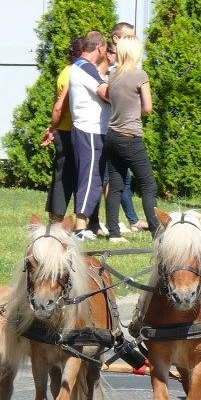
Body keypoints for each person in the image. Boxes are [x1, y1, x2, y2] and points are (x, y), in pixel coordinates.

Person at [103, 36, 160, 242]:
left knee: (115, 184)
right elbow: (148, 108)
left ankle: (113, 232)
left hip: (112, 136)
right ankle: (156, 231)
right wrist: (137, 111)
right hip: (131, 137)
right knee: (148, 185)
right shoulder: (139, 75)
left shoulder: (112, 75)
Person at [69, 31, 110, 240]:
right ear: (100, 48)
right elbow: (105, 93)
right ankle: (79, 228)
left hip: (87, 129)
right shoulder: (86, 68)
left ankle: (89, 225)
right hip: (91, 130)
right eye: (106, 49)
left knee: (92, 178)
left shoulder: (79, 66)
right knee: (91, 178)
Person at [41, 37, 84, 223]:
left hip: (70, 130)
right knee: (63, 177)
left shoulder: (71, 71)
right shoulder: (70, 73)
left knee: (68, 176)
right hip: (67, 131)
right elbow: (61, 106)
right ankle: (56, 219)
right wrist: (53, 128)